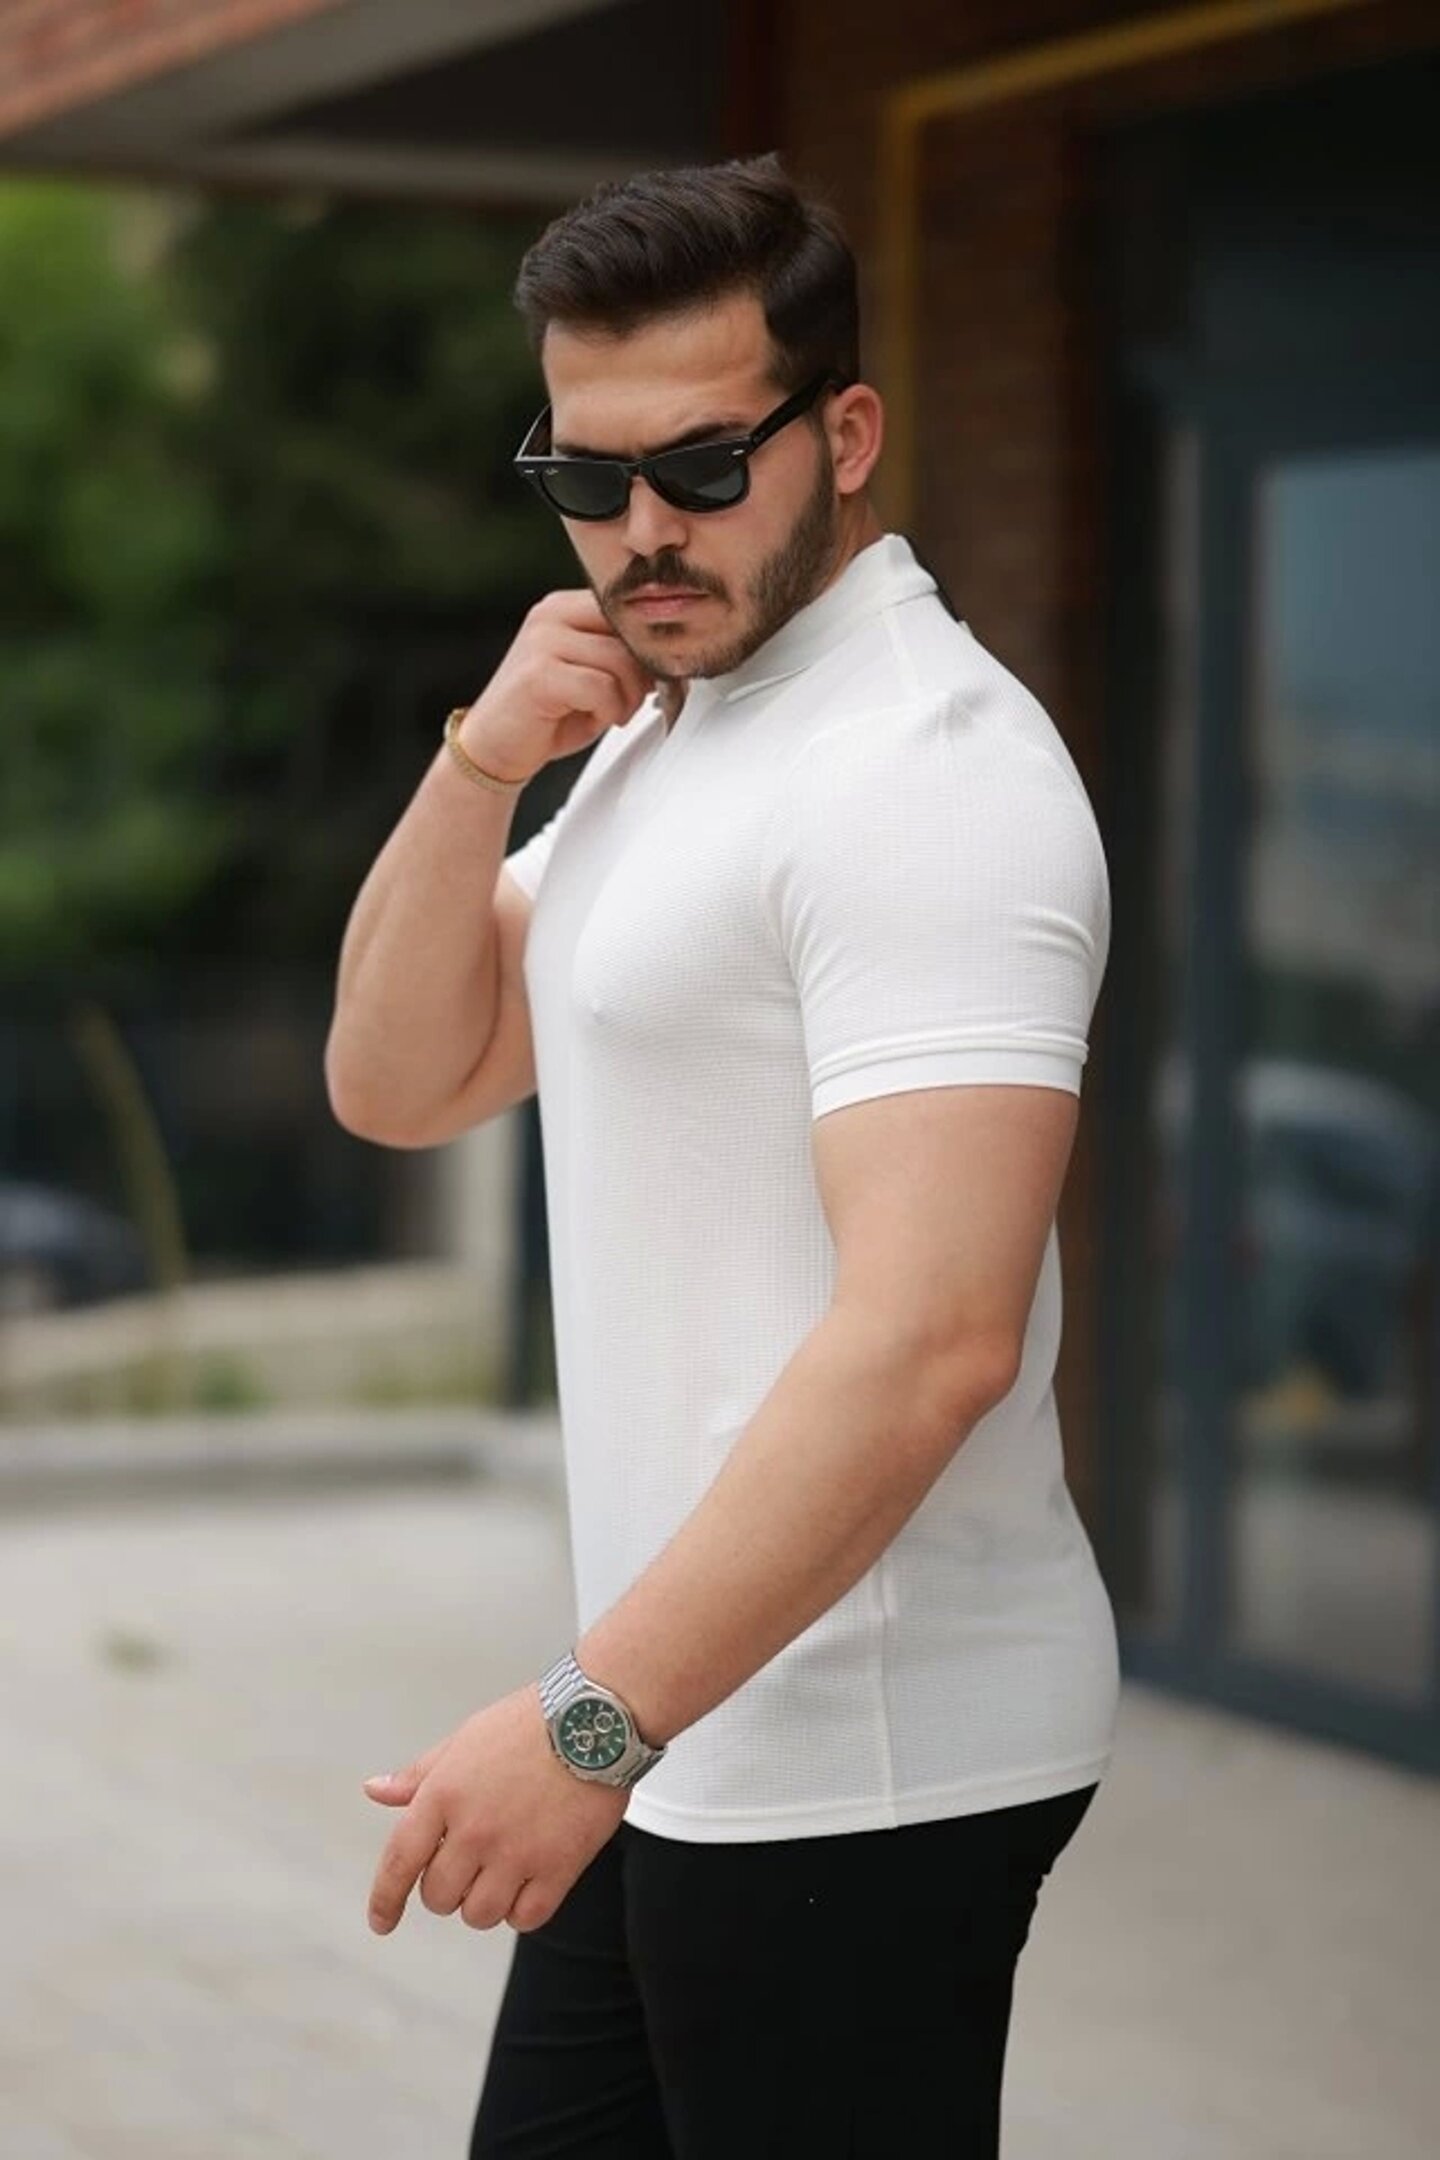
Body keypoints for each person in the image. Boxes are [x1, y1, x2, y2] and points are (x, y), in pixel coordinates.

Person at [326, 150, 1119, 2159]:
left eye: (698, 465)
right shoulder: (673, 729)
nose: (642, 533)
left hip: (860, 1754)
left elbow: (932, 1339)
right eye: (586, 479)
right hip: (680, 1724)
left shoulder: (925, 776)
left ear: (843, 435)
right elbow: (400, 1082)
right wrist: (484, 759)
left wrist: (585, 1724)